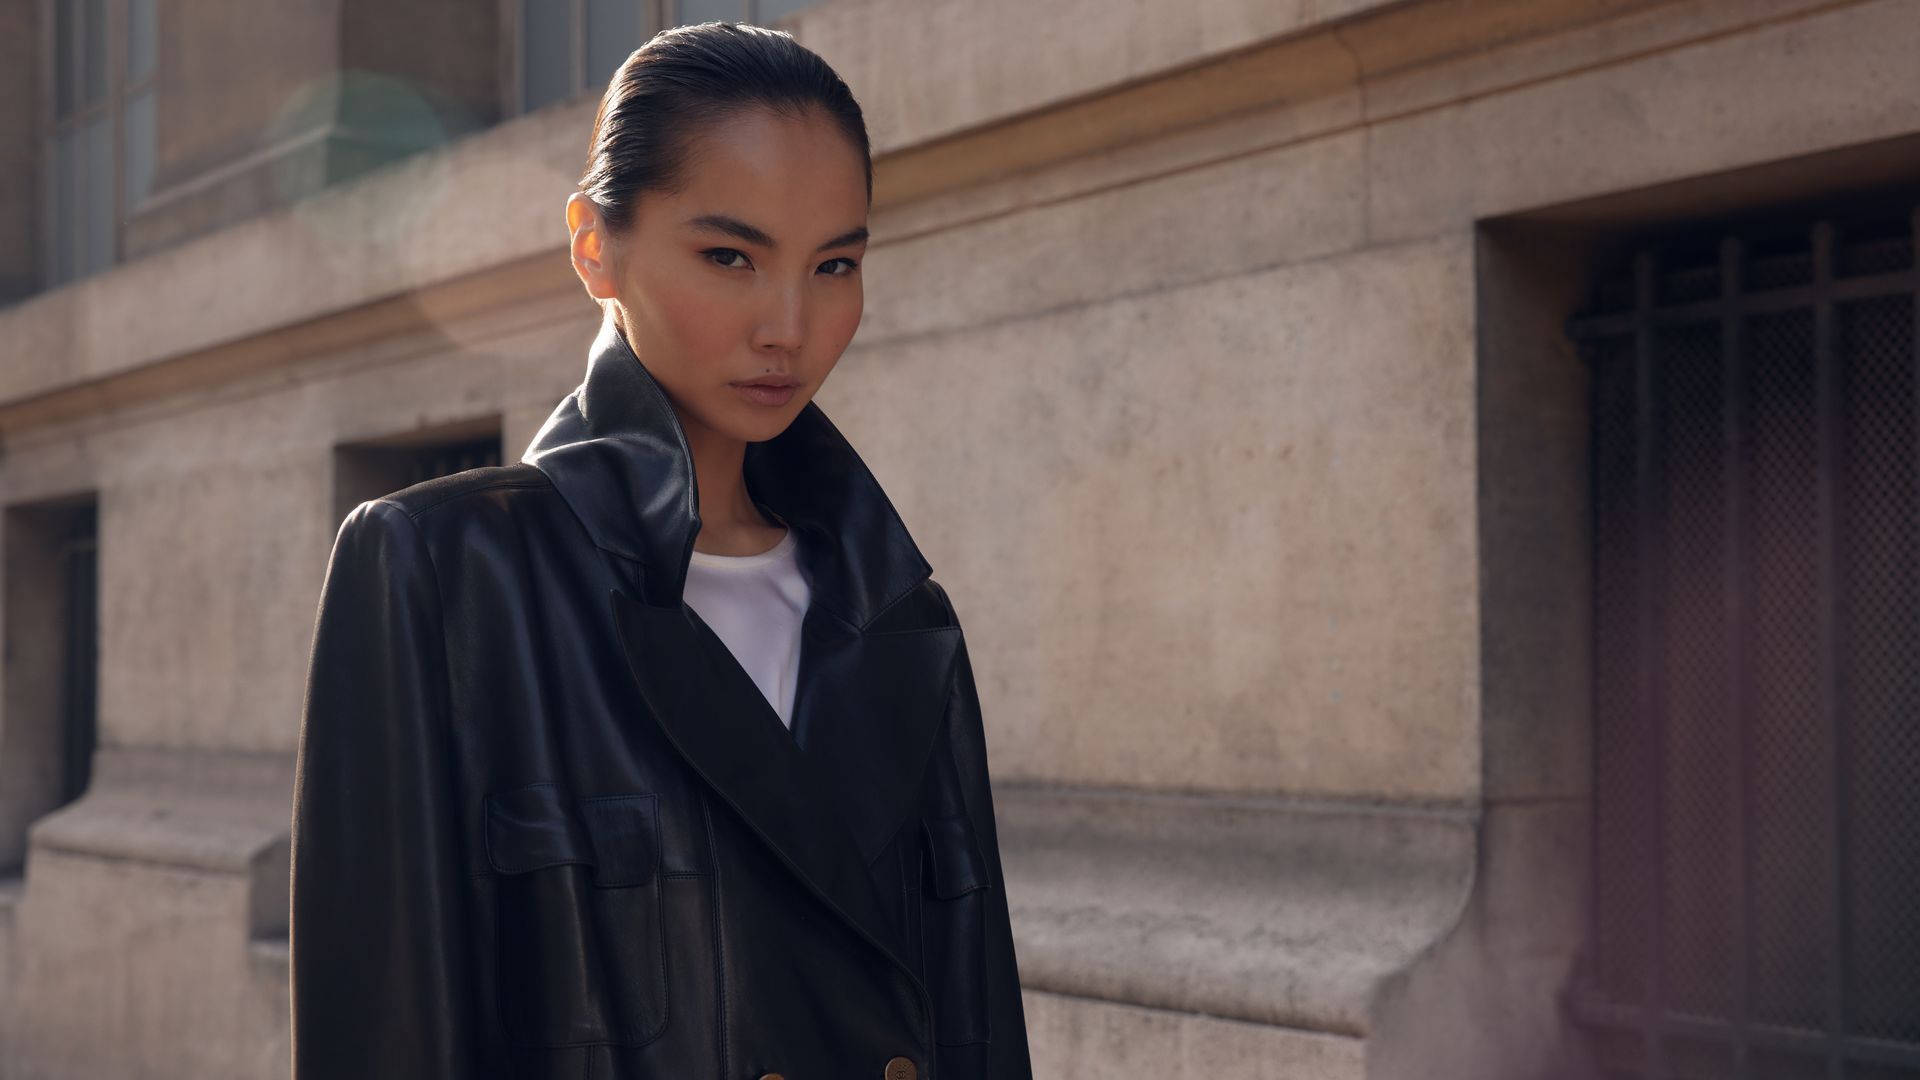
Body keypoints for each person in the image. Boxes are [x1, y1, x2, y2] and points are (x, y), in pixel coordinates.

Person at [289, 21, 1033, 1080]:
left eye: (834, 264)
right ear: (594, 246)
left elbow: (976, 1018)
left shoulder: (900, 613)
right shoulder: (443, 570)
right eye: (730, 256)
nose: (789, 326)